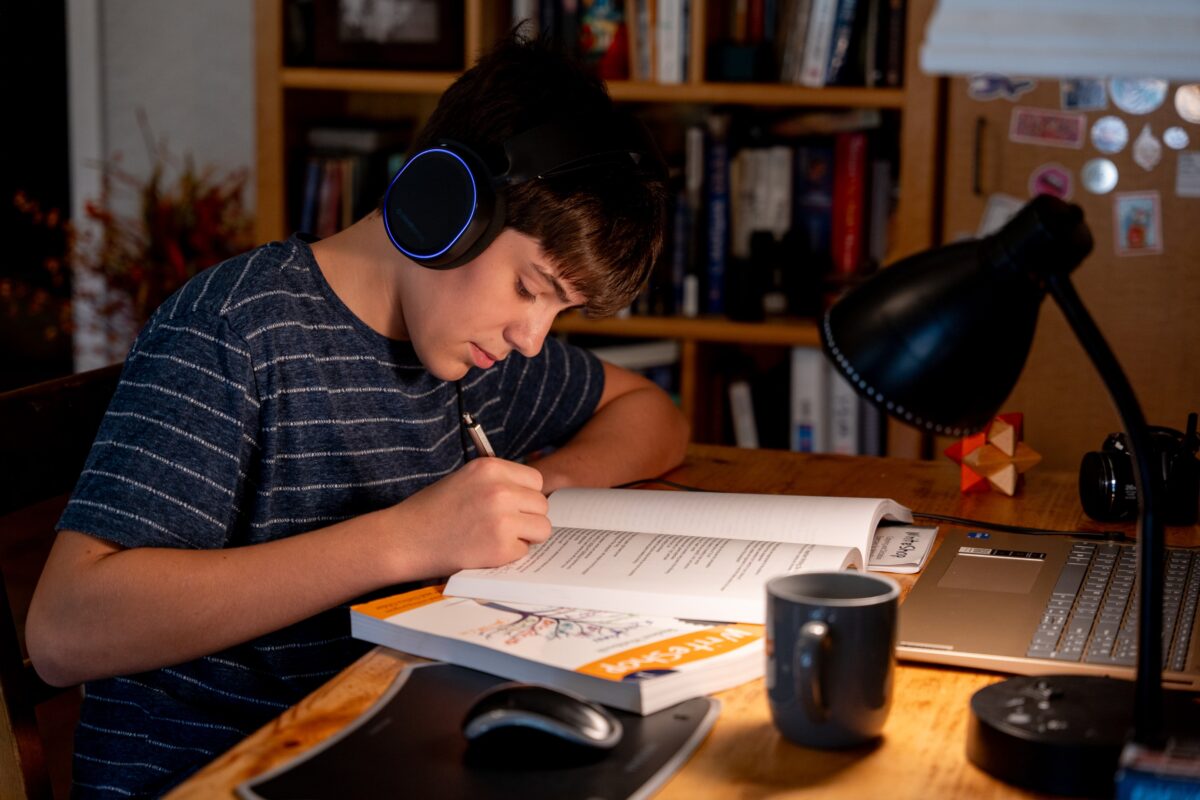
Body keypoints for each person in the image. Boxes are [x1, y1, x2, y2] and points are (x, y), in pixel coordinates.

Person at [27, 33, 687, 797]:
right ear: (444, 205)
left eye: (559, 311)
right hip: (212, 773)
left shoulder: (472, 346)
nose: (532, 339)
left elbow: (650, 413)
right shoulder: (237, 326)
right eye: (530, 288)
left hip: (389, 745)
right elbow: (63, 630)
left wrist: (546, 483)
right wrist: (404, 539)